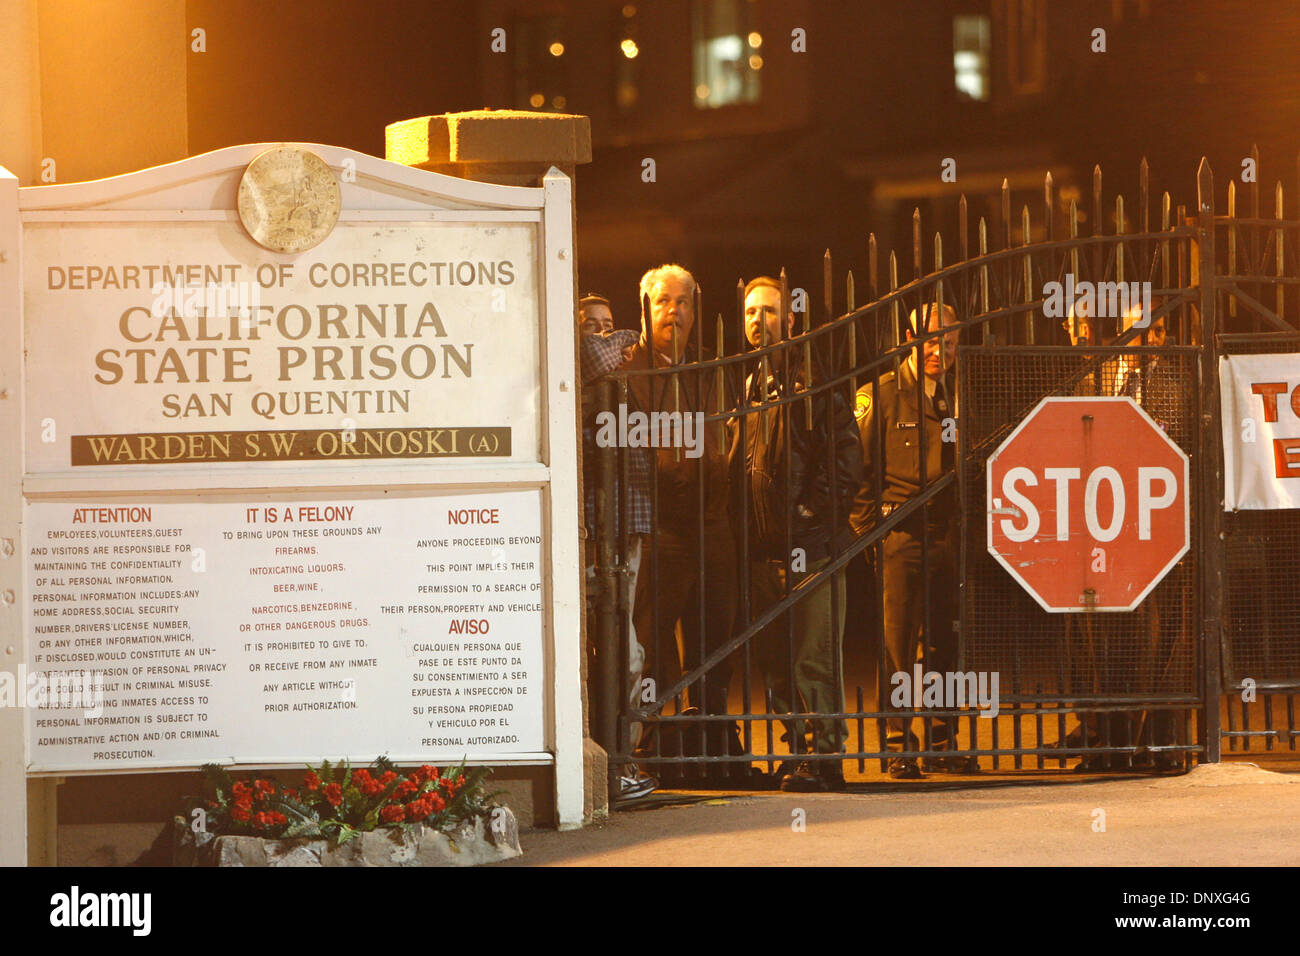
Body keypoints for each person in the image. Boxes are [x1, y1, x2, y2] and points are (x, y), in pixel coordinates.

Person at [731, 277, 863, 792]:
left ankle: (826, 759)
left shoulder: (815, 382)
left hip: (813, 545)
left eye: (767, 312)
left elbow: (847, 461)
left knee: (813, 655)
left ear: (790, 321)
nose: (756, 321)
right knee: (777, 661)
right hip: (765, 548)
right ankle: (798, 752)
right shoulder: (751, 384)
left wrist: (810, 516)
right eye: (748, 313)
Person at [851, 298, 975, 779]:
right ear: (910, 339)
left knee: (946, 644)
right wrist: (870, 533)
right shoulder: (881, 394)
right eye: (928, 340)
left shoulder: (965, 391)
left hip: (950, 534)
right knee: (897, 646)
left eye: (947, 340)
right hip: (901, 535)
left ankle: (943, 741)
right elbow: (857, 471)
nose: (936, 350)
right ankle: (899, 744)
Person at [625, 264, 741, 772]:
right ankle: (649, 740)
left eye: (684, 301)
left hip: (713, 522)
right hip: (660, 528)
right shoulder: (629, 372)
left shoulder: (712, 370)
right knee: (650, 639)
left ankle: (712, 733)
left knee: (717, 634)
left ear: (697, 309)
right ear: (647, 310)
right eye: (664, 301)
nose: (675, 311)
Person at [577, 294, 656, 800]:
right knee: (613, 653)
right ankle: (610, 762)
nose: (606, 334)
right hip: (592, 536)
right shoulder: (582, 372)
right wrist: (622, 337)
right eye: (593, 325)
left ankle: (618, 760)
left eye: (611, 324)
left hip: (627, 530)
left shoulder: (623, 384)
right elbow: (596, 352)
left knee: (626, 653)